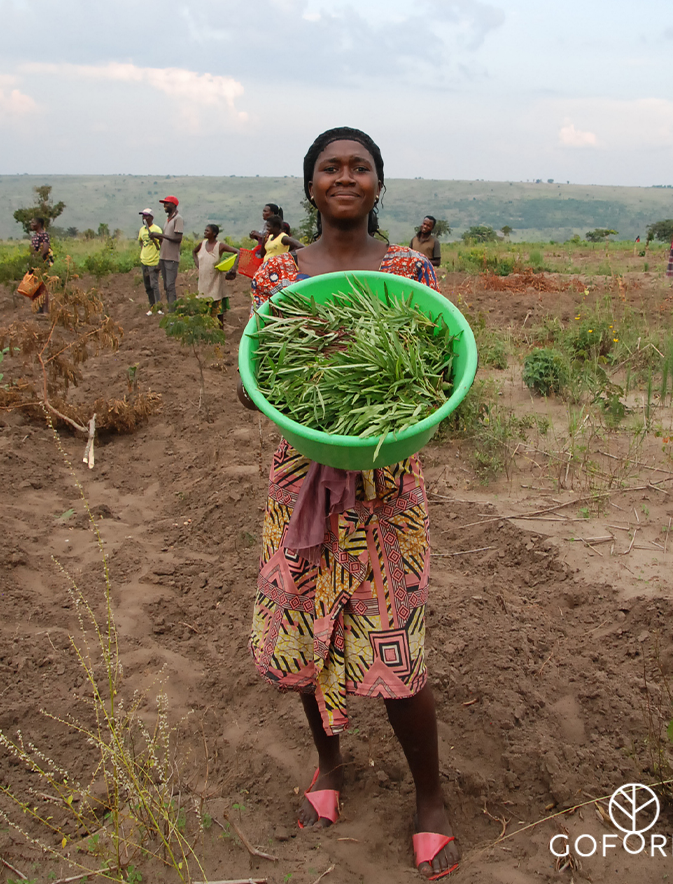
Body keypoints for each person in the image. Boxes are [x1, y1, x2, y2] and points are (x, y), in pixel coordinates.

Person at [238, 127, 459, 881]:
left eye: (358, 167)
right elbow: (254, 377)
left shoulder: (411, 273)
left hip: (387, 487)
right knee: (308, 633)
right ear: (310, 187)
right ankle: (328, 765)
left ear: (377, 185)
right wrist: (264, 386)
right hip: (301, 479)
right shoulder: (279, 277)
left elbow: (439, 371)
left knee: (397, 638)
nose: (344, 176)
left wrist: (412, 413)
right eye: (330, 167)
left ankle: (430, 799)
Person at [192, 223, 239, 326]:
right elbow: (193, 252)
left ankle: (220, 330)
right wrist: (198, 264)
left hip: (215, 280)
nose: (205, 232)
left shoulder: (219, 246)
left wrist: (233, 268)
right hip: (203, 280)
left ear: (214, 234)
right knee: (203, 304)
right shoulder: (202, 244)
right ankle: (205, 329)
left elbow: (237, 252)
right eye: (205, 230)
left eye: (207, 231)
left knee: (218, 307)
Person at [137, 208, 162, 314]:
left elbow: (162, 244)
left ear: (151, 217)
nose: (144, 218)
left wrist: (159, 261)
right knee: (147, 286)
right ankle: (152, 306)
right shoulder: (142, 230)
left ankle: (159, 307)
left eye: (146, 216)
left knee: (154, 285)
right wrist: (144, 252)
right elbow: (141, 242)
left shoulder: (157, 229)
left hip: (154, 262)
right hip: (144, 261)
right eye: (143, 216)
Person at [29, 216, 54, 314]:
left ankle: (45, 310)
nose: (31, 224)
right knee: (36, 286)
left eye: (33, 222)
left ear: (39, 224)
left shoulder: (44, 234)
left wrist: (39, 260)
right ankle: (39, 307)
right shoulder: (35, 236)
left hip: (42, 263)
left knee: (43, 286)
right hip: (36, 262)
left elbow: (45, 248)